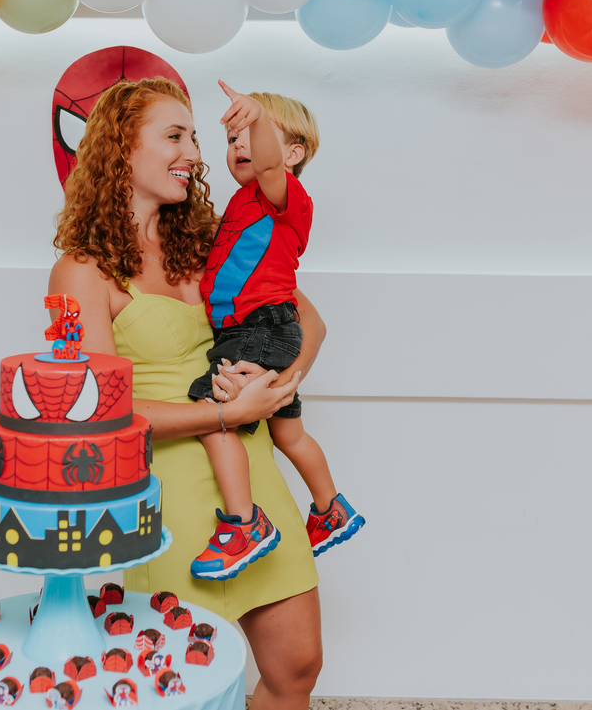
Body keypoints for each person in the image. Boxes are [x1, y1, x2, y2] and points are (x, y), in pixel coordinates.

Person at [50, 77, 323, 710]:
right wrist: (223, 411)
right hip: (166, 493)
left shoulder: (209, 239)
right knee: (173, 685)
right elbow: (94, 408)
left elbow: (309, 323)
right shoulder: (80, 270)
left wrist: (273, 382)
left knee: (298, 667)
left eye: (194, 138)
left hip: (252, 475)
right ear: (121, 149)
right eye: (174, 136)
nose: (195, 154)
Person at [186, 82, 362, 581]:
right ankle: (330, 509)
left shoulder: (284, 196)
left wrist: (257, 114)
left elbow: (267, 165)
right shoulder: (242, 204)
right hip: (267, 332)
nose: (240, 144)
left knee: (210, 414)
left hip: (258, 329)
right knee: (290, 432)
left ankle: (243, 524)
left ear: (292, 153)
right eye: (232, 137)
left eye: (254, 134)